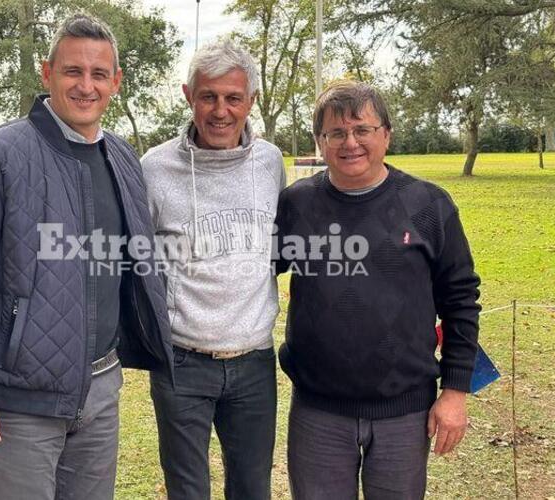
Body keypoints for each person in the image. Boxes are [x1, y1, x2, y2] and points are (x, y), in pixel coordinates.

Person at [0, 13, 173, 500]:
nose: (85, 85)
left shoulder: (123, 158)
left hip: (99, 393)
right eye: (73, 71)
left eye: (99, 74)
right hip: (17, 404)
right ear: (46, 72)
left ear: (115, 82)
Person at [274, 80, 481, 500]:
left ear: (385, 134)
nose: (350, 142)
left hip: (404, 411)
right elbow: (250, 272)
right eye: (336, 133)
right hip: (318, 411)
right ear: (320, 141)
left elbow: (461, 300)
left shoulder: (428, 206)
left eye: (362, 129)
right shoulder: (296, 205)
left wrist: (455, 391)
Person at [140, 40, 285, 500]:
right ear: (188, 96)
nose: (220, 111)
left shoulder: (271, 163)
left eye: (233, 98)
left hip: (254, 360)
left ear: (251, 102)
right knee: (188, 490)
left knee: (251, 488)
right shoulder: (154, 168)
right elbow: (137, 260)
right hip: (182, 360)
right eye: (208, 97)